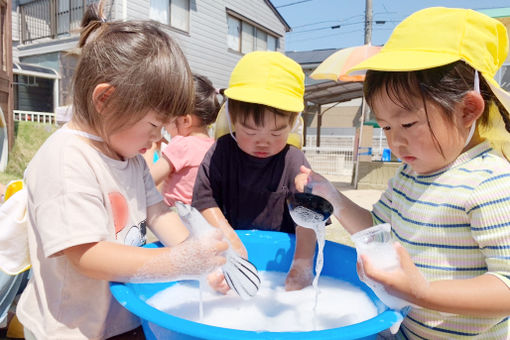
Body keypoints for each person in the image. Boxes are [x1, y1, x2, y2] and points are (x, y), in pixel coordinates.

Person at [296, 7, 510, 339]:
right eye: (385, 126)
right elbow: (377, 230)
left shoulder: (492, 183)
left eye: (408, 124)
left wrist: (423, 292)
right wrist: (333, 198)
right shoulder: (410, 174)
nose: (395, 140)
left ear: (468, 109)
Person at [16, 4, 227, 340]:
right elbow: (87, 255)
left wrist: (198, 257)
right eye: (155, 124)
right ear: (106, 99)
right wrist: (179, 262)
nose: (159, 137)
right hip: (69, 330)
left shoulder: (130, 159)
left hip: (123, 318)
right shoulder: (66, 159)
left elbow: (158, 212)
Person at [192, 51, 317, 293]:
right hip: (230, 251)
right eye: (249, 132)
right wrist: (231, 243)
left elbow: (308, 218)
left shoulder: (293, 160)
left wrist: (302, 265)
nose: (263, 143)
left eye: (277, 133)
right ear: (232, 119)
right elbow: (203, 200)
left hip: (279, 263)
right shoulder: (221, 152)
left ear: (292, 124)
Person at [143, 74, 219, 206]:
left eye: (168, 118)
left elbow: (147, 182)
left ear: (185, 120)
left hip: (177, 217)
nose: (165, 125)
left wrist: (151, 150)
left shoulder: (182, 145)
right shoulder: (215, 147)